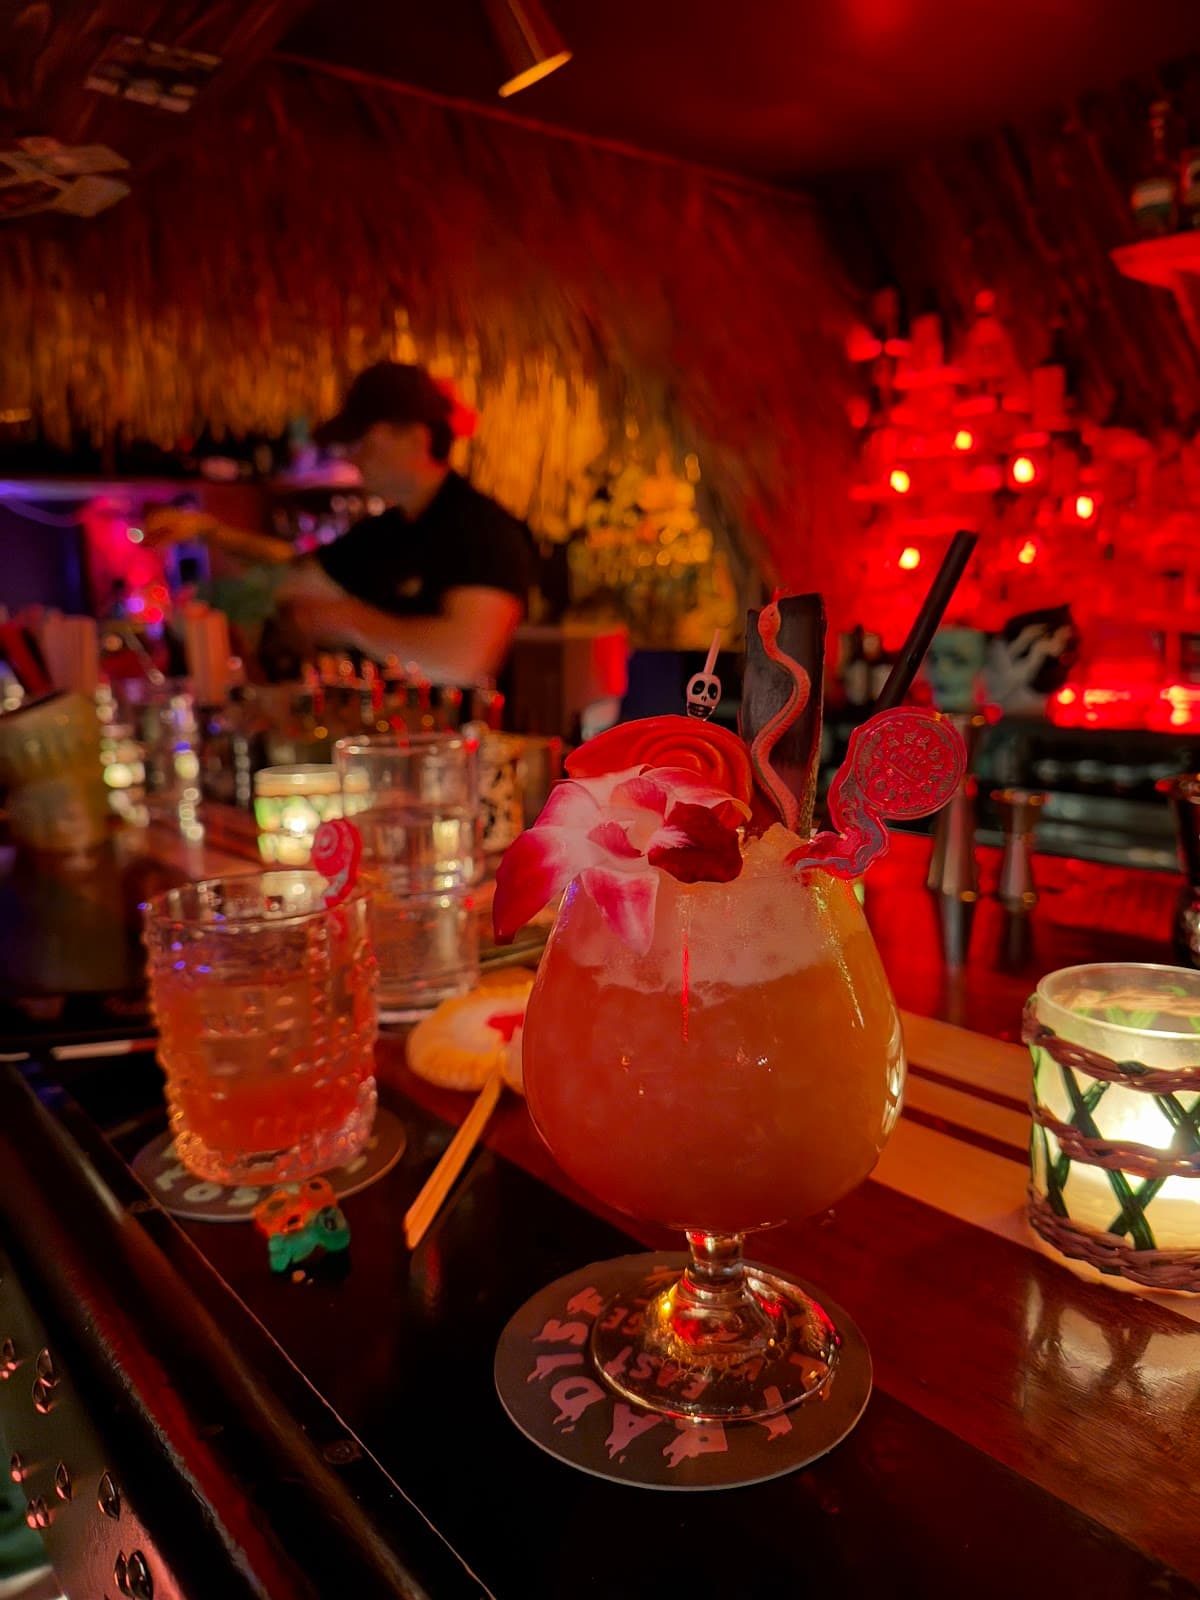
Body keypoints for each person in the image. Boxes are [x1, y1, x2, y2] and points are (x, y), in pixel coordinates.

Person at [145, 364, 535, 685]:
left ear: (415, 438)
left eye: (364, 443)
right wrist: (208, 532)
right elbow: (289, 573)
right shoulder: (388, 531)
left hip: (464, 761)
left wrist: (347, 618)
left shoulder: (483, 529)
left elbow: (463, 662)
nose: (354, 460)